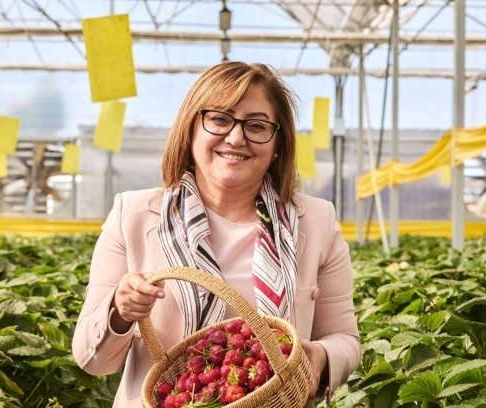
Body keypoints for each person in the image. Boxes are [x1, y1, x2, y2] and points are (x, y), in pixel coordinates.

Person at [72, 61, 360, 407]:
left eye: (257, 125)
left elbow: (345, 339)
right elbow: (92, 360)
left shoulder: (316, 221)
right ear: (190, 129)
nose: (236, 138)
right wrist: (119, 311)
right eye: (220, 119)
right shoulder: (132, 215)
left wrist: (319, 357)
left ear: (278, 143)